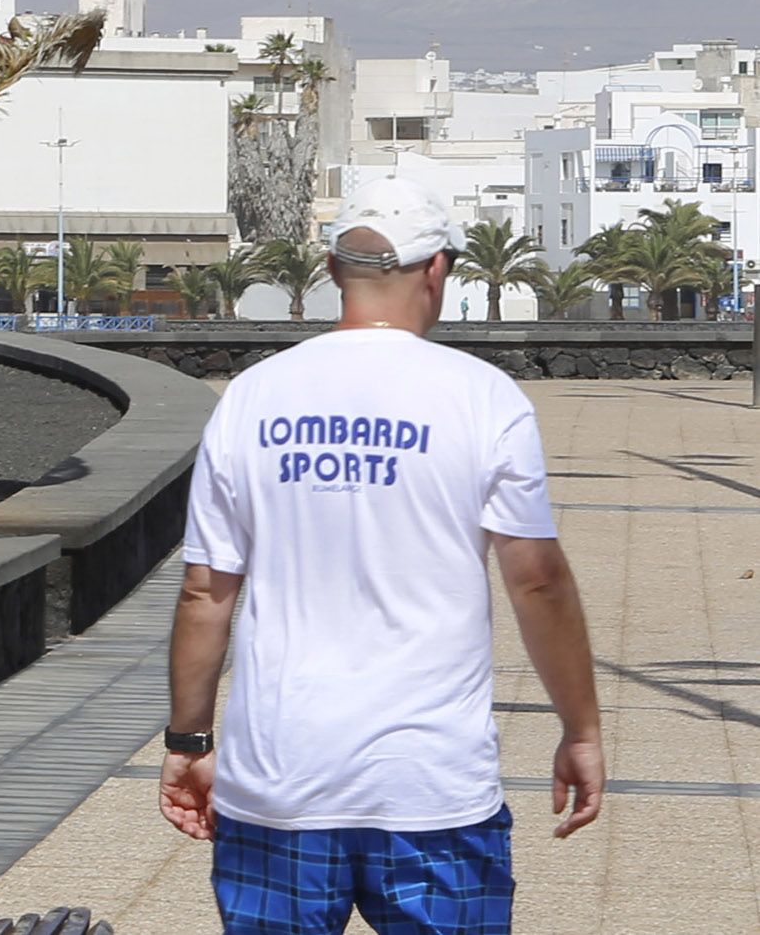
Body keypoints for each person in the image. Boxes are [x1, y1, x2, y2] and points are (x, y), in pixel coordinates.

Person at [159, 178, 604, 934]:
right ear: (439, 270)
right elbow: (537, 580)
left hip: (278, 782)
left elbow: (207, 590)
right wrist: (581, 728)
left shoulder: (251, 397)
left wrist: (189, 740)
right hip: (432, 788)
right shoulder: (484, 398)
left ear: (334, 272)